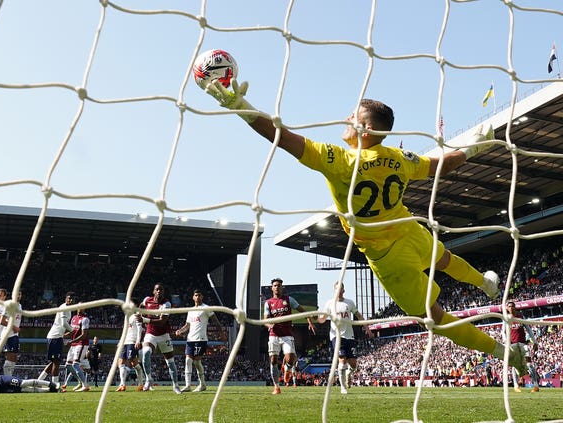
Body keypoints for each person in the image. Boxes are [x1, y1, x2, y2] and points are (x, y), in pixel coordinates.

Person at [204, 81, 529, 377]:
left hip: (387, 255)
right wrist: (471, 149)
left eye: (352, 116)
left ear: (366, 127)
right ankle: (484, 282)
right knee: (443, 259)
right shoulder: (399, 157)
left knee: (434, 317)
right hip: (408, 228)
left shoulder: (339, 160)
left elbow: (282, 136)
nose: (346, 120)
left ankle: (504, 353)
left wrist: (240, 106)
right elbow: (438, 166)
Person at [317, 281, 373, 394]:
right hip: (336, 336)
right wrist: (316, 319)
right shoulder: (329, 304)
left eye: (341, 289)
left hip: (349, 335)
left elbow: (358, 315)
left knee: (353, 364)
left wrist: (367, 328)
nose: (339, 291)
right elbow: (322, 319)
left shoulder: (349, 303)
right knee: (342, 360)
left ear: (344, 290)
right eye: (337, 289)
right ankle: (343, 387)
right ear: (334, 290)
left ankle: (349, 373)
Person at [263, 277, 316, 394]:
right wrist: (269, 325)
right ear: (272, 288)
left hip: (287, 334)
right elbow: (265, 320)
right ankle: (276, 387)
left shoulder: (289, 300)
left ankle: (287, 369)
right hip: (274, 335)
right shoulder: (268, 303)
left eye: (279, 285)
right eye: (275, 285)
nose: (277, 287)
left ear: (282, 287)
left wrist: (309, 321)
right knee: (273, 360)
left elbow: (303, 311)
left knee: (290, 359)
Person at [175, 289, 227, 392]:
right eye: (196, 295)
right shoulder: (191, 310)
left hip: (201, 339)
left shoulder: (206, 308)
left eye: (199, 295)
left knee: (197, 362)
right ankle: (188, 385)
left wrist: (222, 334)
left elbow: (216, 321)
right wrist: (180, 331)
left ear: (202, 297)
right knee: (188, 360)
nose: (197, 297)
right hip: (190, 339)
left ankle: (202, 384)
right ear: (193, 297)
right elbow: (188, 325)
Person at [136, 283, 182, 394]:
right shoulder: (147, 300)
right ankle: (148, 379)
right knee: (145, 352)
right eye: (157, 289)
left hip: (164, 335)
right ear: (153, 291)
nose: (159, 291)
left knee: (170, 362)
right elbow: (141, 306)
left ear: (163, 292)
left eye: (161, 290)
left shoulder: (166, 304)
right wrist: (138, 313)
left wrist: (145, 320)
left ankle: (175, 385)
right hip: (150, 334)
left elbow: (162, 322)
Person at [38, 291, 75, 389]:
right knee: (56, 362)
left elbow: (61, 326)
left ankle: (39, 381)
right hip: (54, 337)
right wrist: (73, 330)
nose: (70, 300)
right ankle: (55, 385)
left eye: (72, 299)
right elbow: (63, 323)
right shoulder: (64, 308)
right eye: (69, 298)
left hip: (57, 337)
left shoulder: (68, 309)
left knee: (54, 362)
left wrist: (66, 334)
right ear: (65, 298)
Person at [505, 301, 540, 393]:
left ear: (515, 307)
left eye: (512, 306)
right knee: (514, 365)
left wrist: (535, 342)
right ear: (507, 309)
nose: (511, 308)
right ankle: (516, 386)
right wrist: (506, 343)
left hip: (523, 344)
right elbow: (503, 332)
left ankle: (536, 385)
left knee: (529, 364)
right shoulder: (506, 318)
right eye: (509, 306)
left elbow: (528, 329)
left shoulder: (520, 317)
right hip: (512, 345)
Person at [63, 304, 91, 392]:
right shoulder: (74, 318)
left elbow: (84, 335)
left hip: (81, 344)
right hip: (74, 344)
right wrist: (65, 335)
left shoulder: (85, 319)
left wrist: (71, 341)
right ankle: (80, 381)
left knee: (75, 364)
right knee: (68, 365)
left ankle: (85, 385)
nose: (80, 308)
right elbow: (72, 331)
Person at [116, 311, 145, 392]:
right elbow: (124, 331)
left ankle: (140, 384)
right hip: (125, 342)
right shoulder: (127, 317)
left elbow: (140, 329)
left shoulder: (137, 316)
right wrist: (120, 341)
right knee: (121, 362)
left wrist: (138, 341)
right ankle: (123, 385)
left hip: (132, 342)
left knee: (131, 363)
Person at [3, 290, 22, 376]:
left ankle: (10, 378)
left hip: (15, 335)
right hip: (8, 334)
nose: (19, 296)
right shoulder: (9, 305)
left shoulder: (19, 306)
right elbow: (2, 321)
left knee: (14, 357)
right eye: (17, 294)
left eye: (20, 294)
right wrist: (14, 327)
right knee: (9, 356)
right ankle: (7, 379)